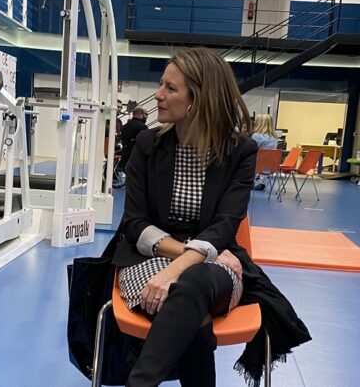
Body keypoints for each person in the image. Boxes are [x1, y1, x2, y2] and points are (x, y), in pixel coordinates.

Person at [109, 47, 310, 386]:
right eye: (161, 85)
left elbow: (225, 224)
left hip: (216, 264)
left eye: (170, 88)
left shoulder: (240, 152)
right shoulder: (147, 145)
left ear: (199, 100)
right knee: (194, 313)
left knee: (194, 283)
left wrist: (183, 266)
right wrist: (184, 258)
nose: (158, 94)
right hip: (153, 258)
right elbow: (134, 224)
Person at [251, 113, 278, 190]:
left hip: (258, 166)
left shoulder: (256, 136)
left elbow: (251, 150)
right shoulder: (274, 138)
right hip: (272, 167)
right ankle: (262, 181)